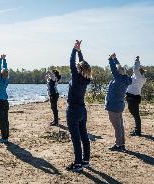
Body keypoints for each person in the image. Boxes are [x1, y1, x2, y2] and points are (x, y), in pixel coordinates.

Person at [66, 40, 92, 173]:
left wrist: (74, 50)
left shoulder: (77, 77)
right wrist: (79, 51)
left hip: (73, 111)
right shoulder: (86, 78)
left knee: (76, 138)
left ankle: (78, 163)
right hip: (82, 110)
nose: (75, 67)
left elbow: (71, 62)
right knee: (84, 135)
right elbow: (82, 64)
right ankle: (85, 160)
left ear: (79, 69)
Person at [105, 53, 132, 152]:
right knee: (120, 125)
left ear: (119, 72)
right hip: (118, 105)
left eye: (117, 70)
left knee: (117, 126)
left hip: (114, 106)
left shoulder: (119, 79)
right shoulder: (125, 78)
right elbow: (119, 67)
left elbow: (113, 69)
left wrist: (110, 60)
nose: (116, 70)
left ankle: (119, 145)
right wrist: (115, 59)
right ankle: (121, 143)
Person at [126, 56, 146, 136]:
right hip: (132, 97)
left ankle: (138, 131)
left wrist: (137, 60)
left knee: (136, 114)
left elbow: (135, 69)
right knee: (133, 113)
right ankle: (137, 129)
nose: (134, 72)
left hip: (133, 98)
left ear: (139, 72)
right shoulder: (137, 77)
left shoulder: (139, 77)